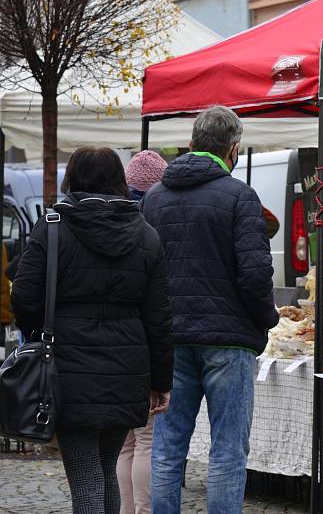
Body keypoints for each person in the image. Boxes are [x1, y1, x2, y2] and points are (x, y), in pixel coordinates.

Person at [11, 147, 173, 514]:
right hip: (127, 369)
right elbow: (159, 317)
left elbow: (23, 295)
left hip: (69, 368)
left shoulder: (53, 231)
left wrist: (40, 334)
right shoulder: (146, 236)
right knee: (104, 467)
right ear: (119, 179)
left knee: (86, 474)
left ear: (74, 179)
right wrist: (161, 380)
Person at [142, 106, 278, 514]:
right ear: (233, 149)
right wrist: (265, 321)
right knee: (228, 451)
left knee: (167, 449)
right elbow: (256, 276)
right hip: (228, 340)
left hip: (171, 338)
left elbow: (143, 276)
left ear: (191, 143)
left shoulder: (153, 199)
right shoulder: (240, 196)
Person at [113, 150, 169, 514]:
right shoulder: (152, 230)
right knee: (147, 441)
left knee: (125, 444)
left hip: (114, 346)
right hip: (143, 347)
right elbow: (159, 306)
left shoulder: (112, 220)